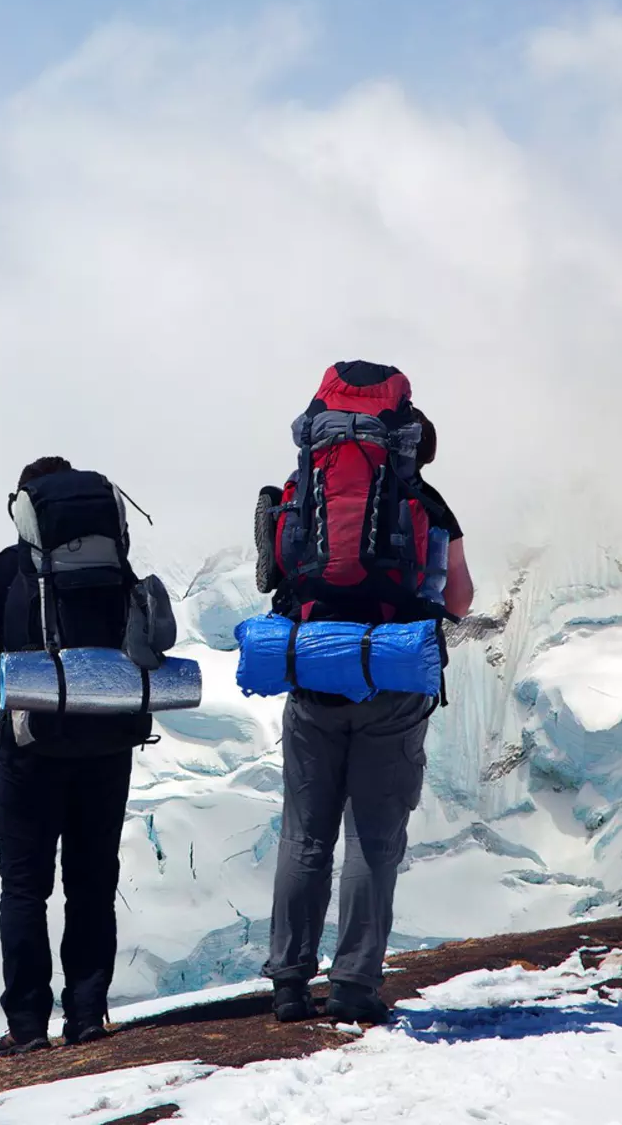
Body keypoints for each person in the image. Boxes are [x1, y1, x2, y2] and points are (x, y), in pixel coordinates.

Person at [263, 366, 474, 1027]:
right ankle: (354, 986)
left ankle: (290, 984)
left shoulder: (300, 493)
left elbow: (274, 574)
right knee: (372, 842)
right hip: (392, 681)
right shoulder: (428, 505)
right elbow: (461, 601)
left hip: (314, 677)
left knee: (304, 837)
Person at [0, 456, 150, 1055]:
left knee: (24, 888)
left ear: (24, 508)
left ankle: (26, 1028)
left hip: (31, 747)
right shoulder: (114, 568)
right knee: (92, 881)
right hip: (106, 743)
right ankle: (88, 1015)